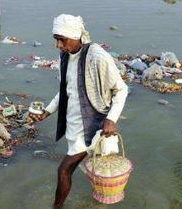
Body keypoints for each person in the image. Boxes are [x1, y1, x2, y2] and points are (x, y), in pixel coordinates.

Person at [28, 14, 128, 208]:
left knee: (64, 171)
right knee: (92, 171)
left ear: (76, 36)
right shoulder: (66, 56)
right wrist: (46, 112)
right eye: (56, 39)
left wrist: (111, 119)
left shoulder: (98, 57)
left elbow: (121, 89)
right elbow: (65, 91)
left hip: (92, 125)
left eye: (62, 40)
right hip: (74, 124)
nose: (58, 45)